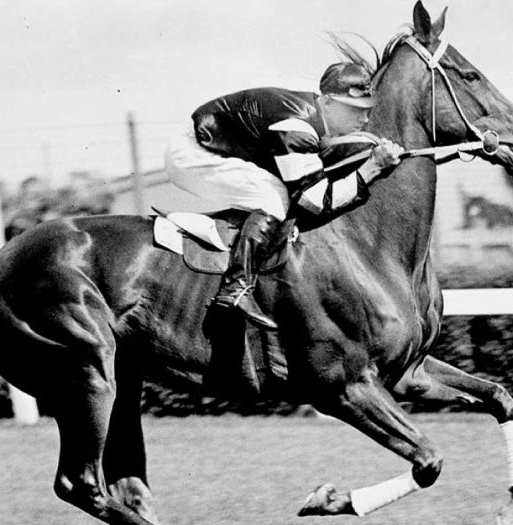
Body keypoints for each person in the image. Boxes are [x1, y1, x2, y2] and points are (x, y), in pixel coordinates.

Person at [165, 62, 404, 330]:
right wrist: (373, 168)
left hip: (215, 147)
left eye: (367, 109)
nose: (364, 119)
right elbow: (317, 202)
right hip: (191, 153)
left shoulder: (313, 118)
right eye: (355, 110)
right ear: (326, 103)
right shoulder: (296, 128)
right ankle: (235, 289)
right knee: (274, 197)